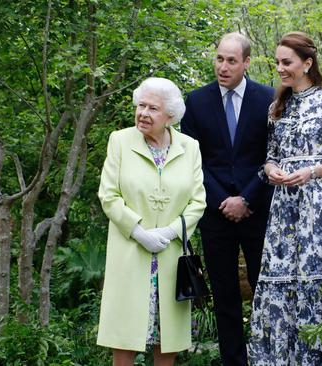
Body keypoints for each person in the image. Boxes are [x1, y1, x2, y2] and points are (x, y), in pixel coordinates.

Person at [248, 32, 322, 365]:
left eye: (287, 62)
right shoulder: (276, 107)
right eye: (278, 62)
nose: (280, 68)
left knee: (318, 281)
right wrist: (271, 170)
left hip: (319, 207)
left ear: (307, 63)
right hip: (284, 209)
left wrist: (312, 172)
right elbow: (270, 156)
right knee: (282, 282)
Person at [97, 77, 206, 366]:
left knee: (166, 341)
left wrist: (171, 231)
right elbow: (108, 195)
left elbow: (198, 201)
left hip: (170, 256)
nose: (143, 113)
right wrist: (139, 232)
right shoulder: (120, 140)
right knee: (124, 338)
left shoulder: (190, 147)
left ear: (170, 115)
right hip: (130, 253)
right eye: (141, 105)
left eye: (152, 108)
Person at [181, 32, 274, 366]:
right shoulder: (196, 101)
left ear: (246, 62)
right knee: (225, 297)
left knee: (266, 291)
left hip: (258, 211)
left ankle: (268, 357)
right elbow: (192, 160)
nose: (223, 66)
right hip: (215, 215)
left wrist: (246, 197)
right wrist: (225, 200)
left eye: (231, 60)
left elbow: (274, 155)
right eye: (219, 58)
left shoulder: (271, 99)